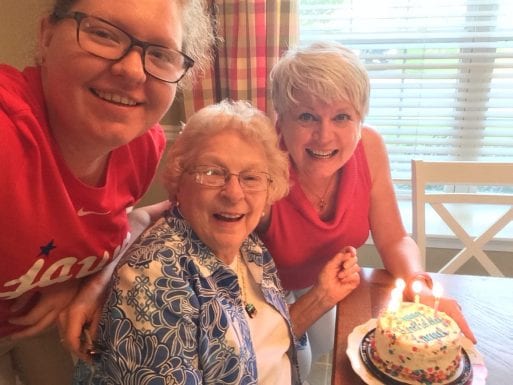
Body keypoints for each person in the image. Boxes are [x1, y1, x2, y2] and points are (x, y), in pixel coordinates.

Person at [71, 100, 360, 384]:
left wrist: (323, 295)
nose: (234, 193)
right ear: (179, 182)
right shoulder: (156, 281)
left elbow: (261, 343)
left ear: (269, 190)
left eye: (250, 177)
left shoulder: (251, 251)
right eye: (212, 173)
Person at [0, 0, 213, 384]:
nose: (132, 70)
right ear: (46, 35)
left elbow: (125, 220)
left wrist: (82, 278)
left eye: (161, 53)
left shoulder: (142, 146)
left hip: (38, 316)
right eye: (103, 33)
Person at [257, 41, 477, 378]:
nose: (324, 135)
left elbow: (395, 239)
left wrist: (419, 284)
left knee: (332, 364)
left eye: (342, 116)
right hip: (266, 295)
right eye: (306, 116)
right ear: (281, 118)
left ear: (360, 119)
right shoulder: (260, 160)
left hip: (332, 286)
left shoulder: (370, 147)